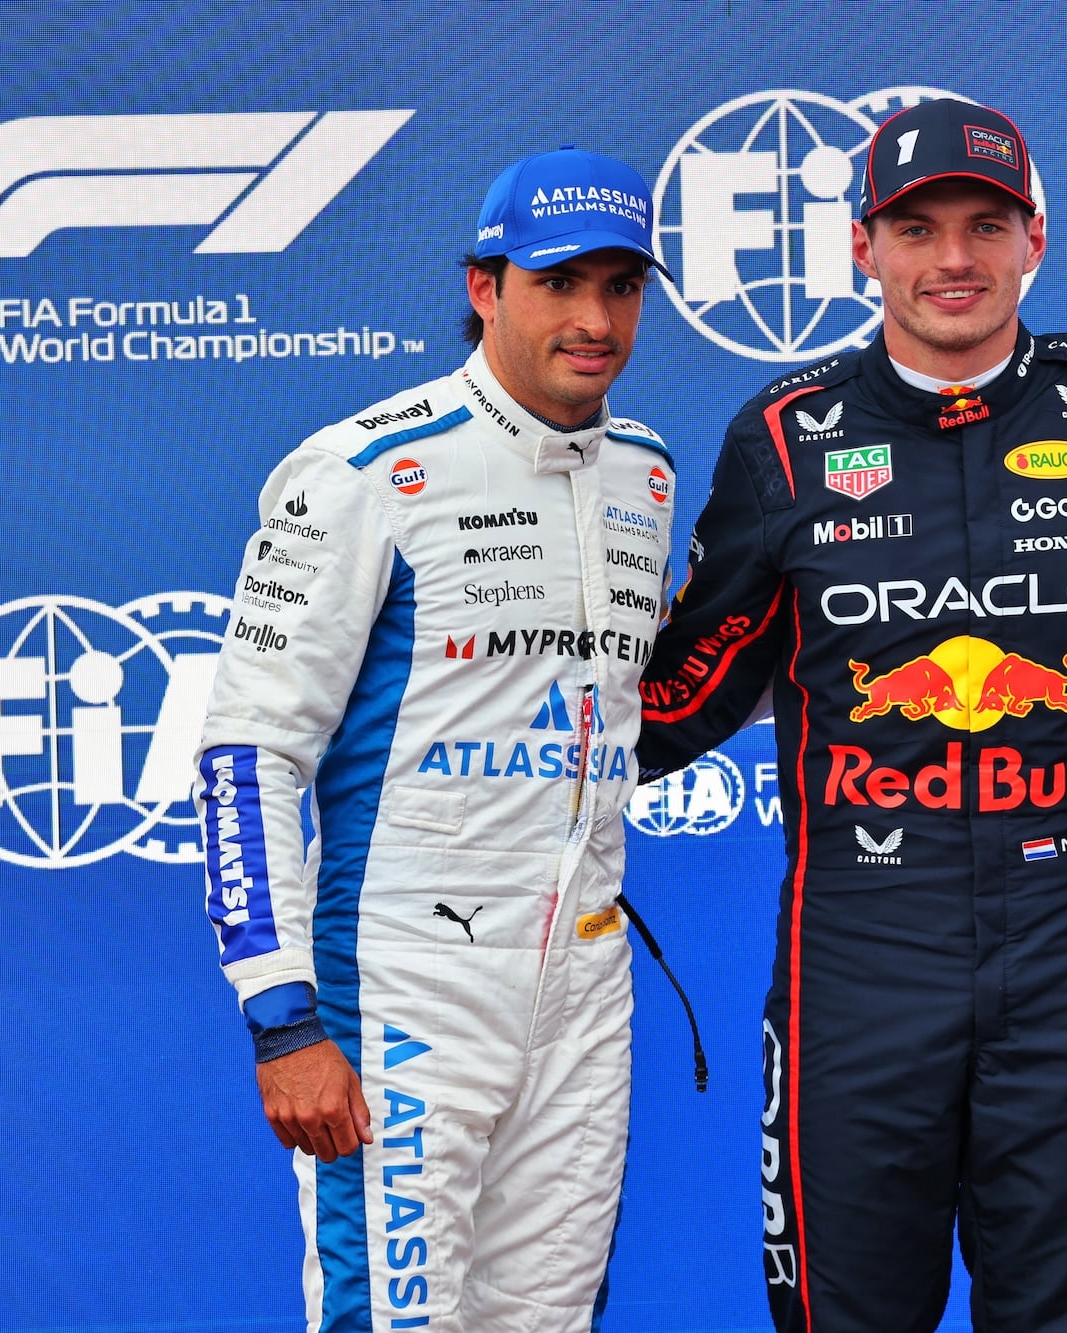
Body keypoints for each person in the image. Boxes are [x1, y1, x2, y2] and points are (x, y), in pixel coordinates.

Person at [634, 99, 1067, 1332]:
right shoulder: (783, 435)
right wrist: (502, 741)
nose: (953, 257)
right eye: (916, 227)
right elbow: (689, 686)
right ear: (861, 248)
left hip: (1065, 951)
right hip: (856, 953)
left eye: (984, 224)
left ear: (1034, 238)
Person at [195, 147, 676, 1330]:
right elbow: (247, 753)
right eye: (559, 283)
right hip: (406, 985)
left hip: (584, 978)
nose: (593, 319)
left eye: (619, 287)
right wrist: (283, 1017)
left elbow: (638, 705)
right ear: (484, 287)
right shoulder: (362, 470)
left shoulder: (646, 475)